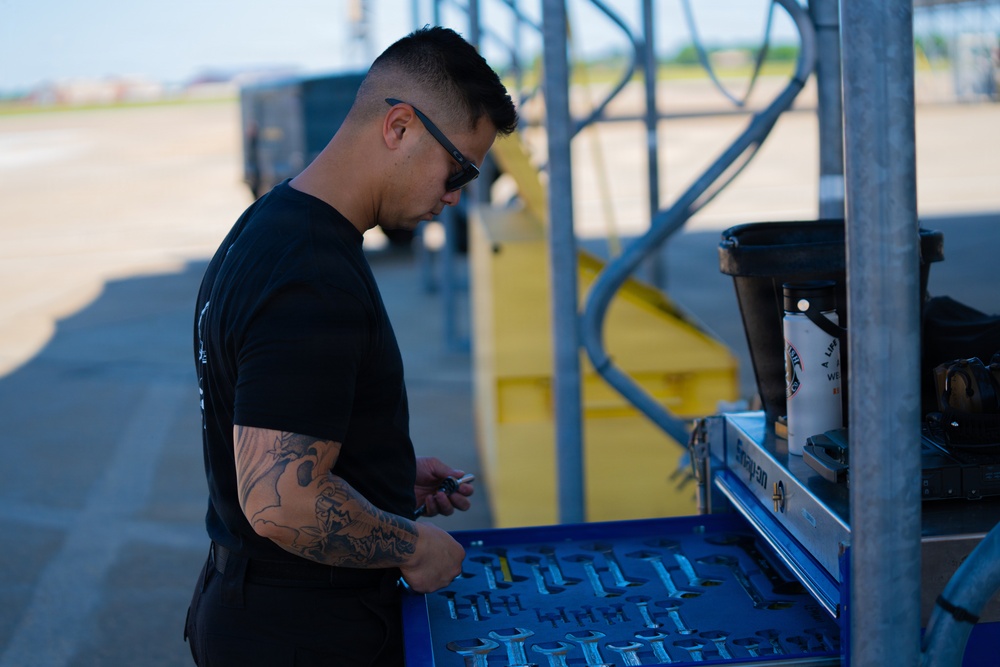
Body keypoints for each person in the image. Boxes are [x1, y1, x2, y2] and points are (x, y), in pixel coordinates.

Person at [184, 26, 519, 666]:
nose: (455, 197)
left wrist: (378, 475)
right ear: (399, 127)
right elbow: (282, 502)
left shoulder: (272, 222)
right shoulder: (312, 276)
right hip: (305, 634)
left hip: (255, 611)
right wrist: (411, 546)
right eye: (460, 170)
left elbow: (270, 425)